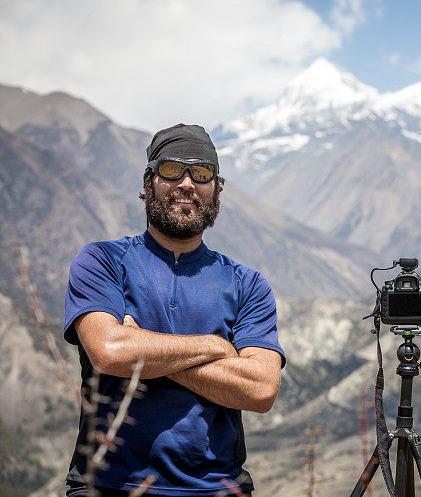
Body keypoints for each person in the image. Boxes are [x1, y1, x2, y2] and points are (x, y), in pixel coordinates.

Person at [63, 124, 284, 496]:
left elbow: (260, 389)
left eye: (201, 173)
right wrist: (216, 348)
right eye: (171, 169)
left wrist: (144, 349)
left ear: (216, 188)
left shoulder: (247, 284)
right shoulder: (102, 261)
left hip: (215, 488)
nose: (186, 183)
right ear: (149, 182)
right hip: (107, 484)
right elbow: (110, 352)